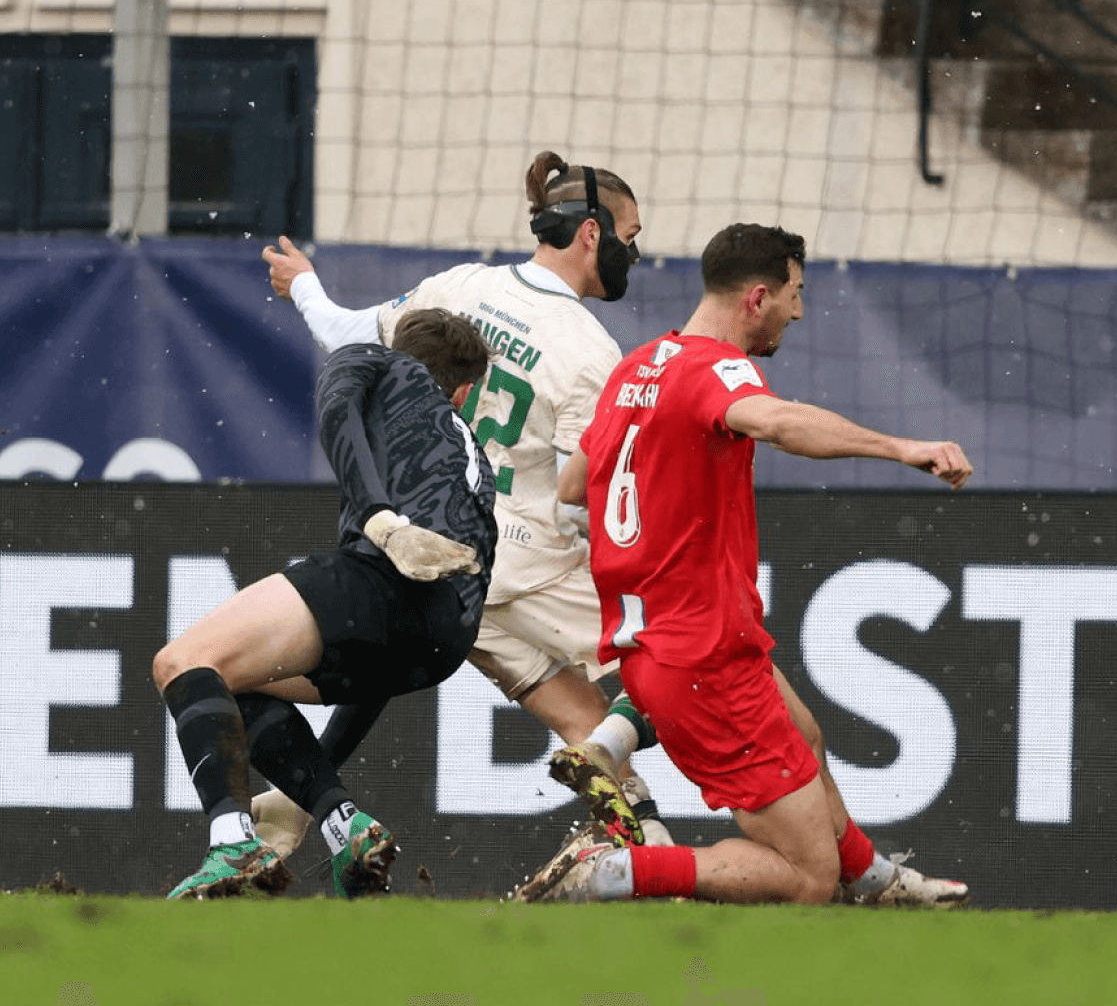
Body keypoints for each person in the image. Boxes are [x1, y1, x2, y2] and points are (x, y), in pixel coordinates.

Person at [514, 223, 974, 906]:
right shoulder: (718, 369)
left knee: (806, 737)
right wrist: (903, 448)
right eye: (795, 294)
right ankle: (616, 870)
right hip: (703, 658)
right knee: (804, 879)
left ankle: (875, 880)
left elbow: (576, 484)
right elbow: (776, 422)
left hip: (666, 647)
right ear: (757, 297)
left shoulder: (637, 366)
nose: (800, 310)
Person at [261, 151, 675, 850]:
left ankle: (652, 857)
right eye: (631, 239)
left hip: (452, 568)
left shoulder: (460, 286)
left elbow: (342, 334)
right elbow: (583, 501)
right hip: (534, 570)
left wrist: (305, 286)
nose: (636, 255)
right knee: (691, 657)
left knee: (583, 719)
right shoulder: (591, 353)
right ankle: (750, 852)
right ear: (593, 235)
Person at [155, 309, 497, 899]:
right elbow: (392, 640)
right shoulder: (476, 462)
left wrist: (375, 516)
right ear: (464, 395)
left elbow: (337, 410)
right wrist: (304, 794)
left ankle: (232, 842)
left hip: (383, 577)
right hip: (447, 639)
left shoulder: (375, 358)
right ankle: (344, 826)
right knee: (237, 685)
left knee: (182, 664)